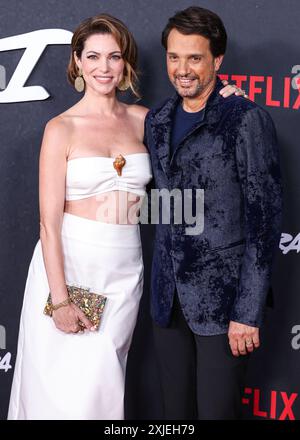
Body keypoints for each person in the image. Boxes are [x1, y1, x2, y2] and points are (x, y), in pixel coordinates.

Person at [7, 13, 244, 420]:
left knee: (103, 386)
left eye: (114, 57)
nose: (104, 68)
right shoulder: (60, 129)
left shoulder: (145, 120)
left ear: (126, 63)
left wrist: (223, 100)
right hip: (68, 267)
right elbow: (48, 223)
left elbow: (197, 123)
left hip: (123, 269)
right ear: (77, 62)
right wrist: (61, 299)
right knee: (60, 391)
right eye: (94, 56)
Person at [145, 6, 282, 420]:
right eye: (173, 57)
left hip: (223, 306)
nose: (182, 69)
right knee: (175, 416)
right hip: (167, 300)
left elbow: (265, 223)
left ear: (217, 61)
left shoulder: (245, 119)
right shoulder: (157, 120)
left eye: (194, 57)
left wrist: (247, 312)